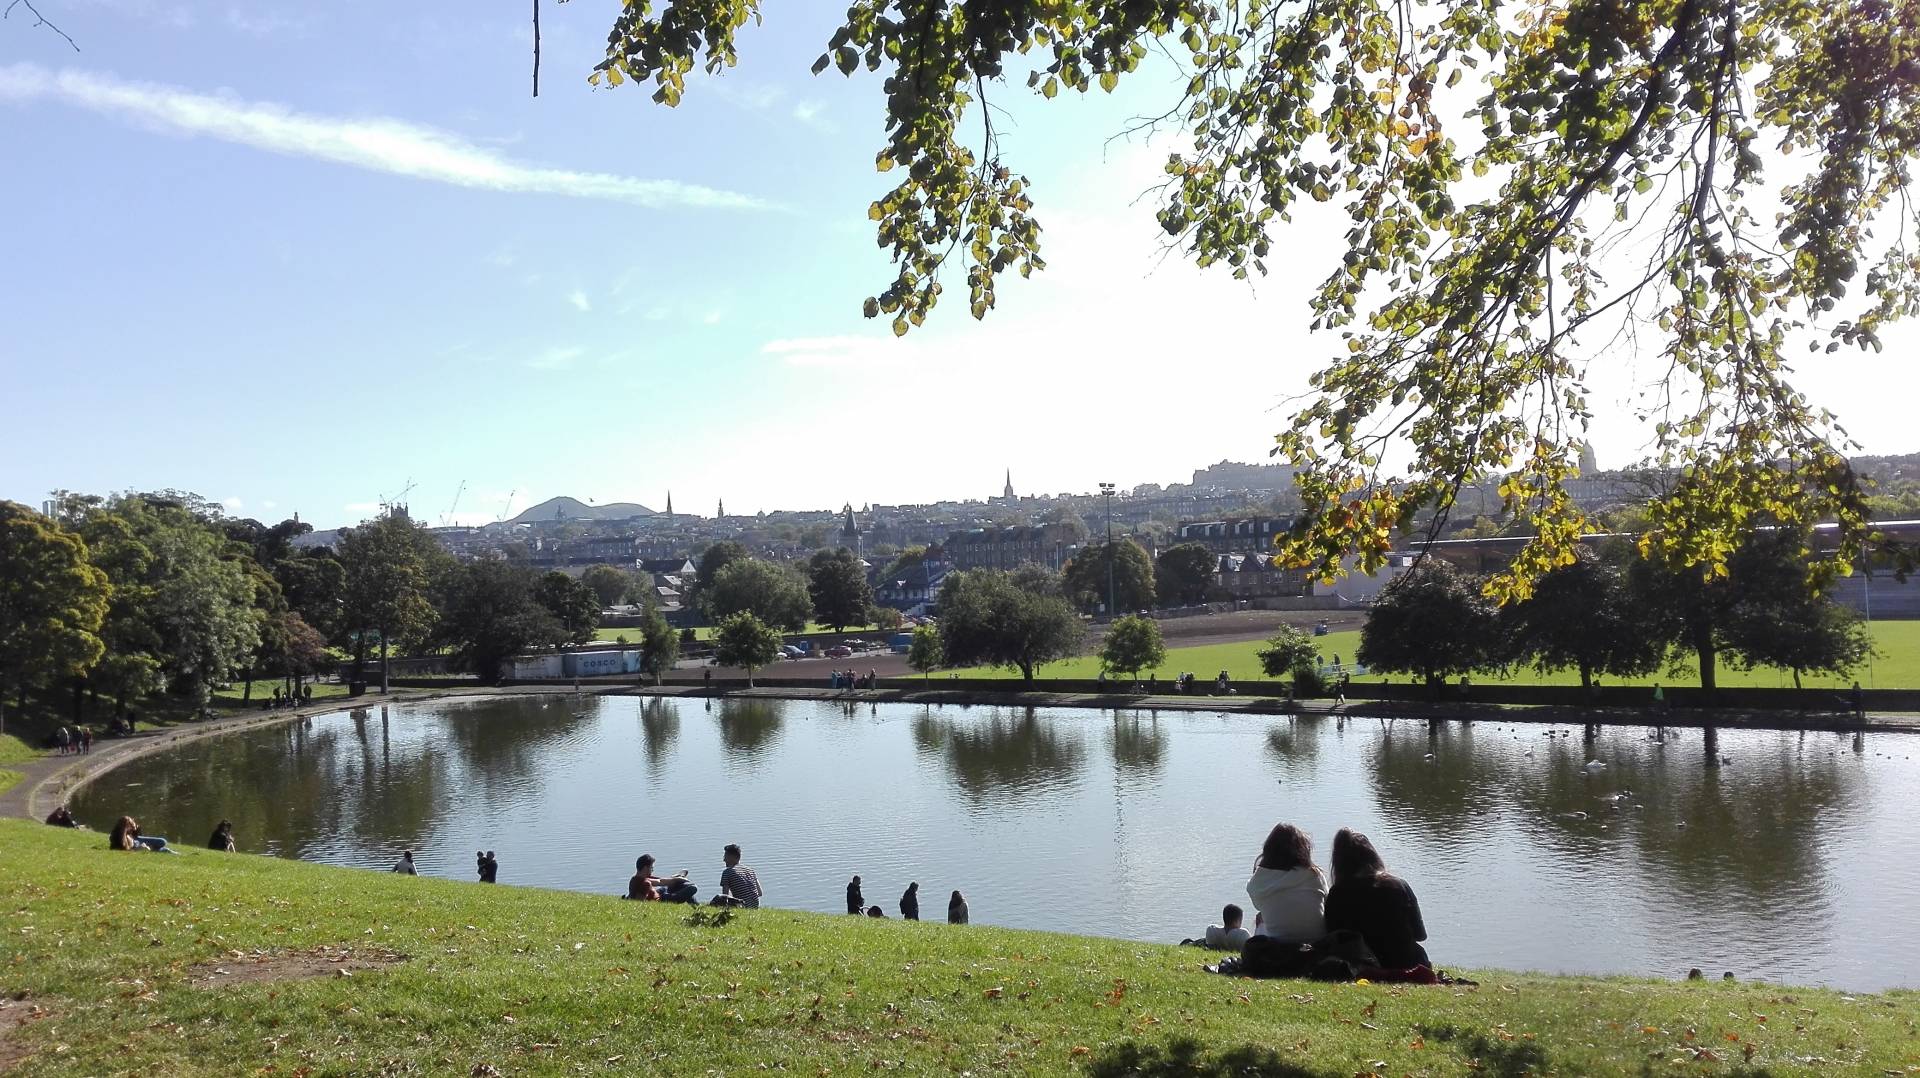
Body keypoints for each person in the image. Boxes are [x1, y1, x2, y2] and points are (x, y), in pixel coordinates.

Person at [1323, 829, 1429, 969]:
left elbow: (1333, 936)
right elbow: (1420, 935)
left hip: (1360, 966)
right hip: (1406, 964)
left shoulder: (1337, 893)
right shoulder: (1399, 885)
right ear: (1372, 855)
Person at [1245, 822, 1327, 943]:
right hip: (1317, 945)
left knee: (1261, 918)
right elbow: (1326, 901)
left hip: (1279, 948)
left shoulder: (1257, 882)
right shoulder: (1315, 875)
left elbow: (1258, 905)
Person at [625, 855, 698, 903]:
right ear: (645, 868)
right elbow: (638, 902)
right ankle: (676, 878)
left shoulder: (635, 878)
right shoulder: (645, 884)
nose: (652, 870)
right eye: (651, 868)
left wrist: (676, 879)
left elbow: (659, 881)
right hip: (663, 900)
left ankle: (676, 878)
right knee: (692, 888)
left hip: (660, 893)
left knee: (676, 883)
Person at [717, 843, 763, 908]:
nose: (724, 860)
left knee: (717, 898)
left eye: (725, 857)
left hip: (742, 906)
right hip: (755, 906)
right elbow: (760, 893)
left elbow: (725, 897)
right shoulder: (750, 870)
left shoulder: (727, 872)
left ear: (731, 857)